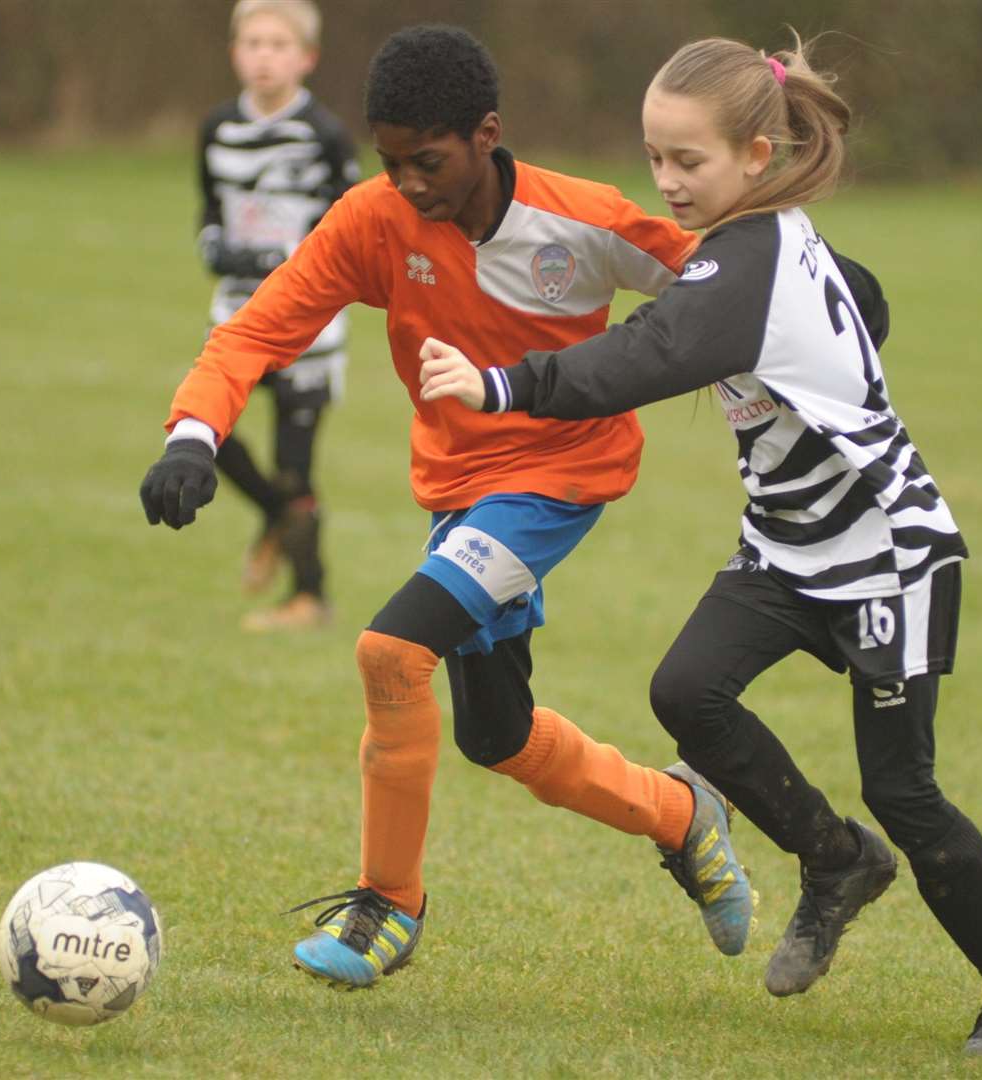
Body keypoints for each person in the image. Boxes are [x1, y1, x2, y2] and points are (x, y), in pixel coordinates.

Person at [419, 35, 982, 1056]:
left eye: (691, 161)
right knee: (687, 692)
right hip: (786, 546)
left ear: (757, 156)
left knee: (904, 788)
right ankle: (835, 860)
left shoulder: (749, 257)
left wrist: (500, 384)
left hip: (883, 551)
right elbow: (866, 301)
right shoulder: (768, 243)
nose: (669, 182)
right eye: (657, 158)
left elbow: (649, 355)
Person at [140, 25, 756, 990]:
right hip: (462, 492)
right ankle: (683, 818)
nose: (408, 184)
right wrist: (192, 434)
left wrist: (831, 315)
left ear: (486, 133)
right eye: (389, 162)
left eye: (426, 161)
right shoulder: (372, 220)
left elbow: (730, 279)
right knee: (496, 735)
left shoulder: (582, 220)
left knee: (389, 650)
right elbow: (257, 328)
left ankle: (387, 903)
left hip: (557, 481)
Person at [197, 0, 361, 631]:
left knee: (297, 467)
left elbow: (343, 228)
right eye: (253, 42)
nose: (264, 55)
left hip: (309, 328)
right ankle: (273, 514)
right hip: (237, 316)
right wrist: (215, 245)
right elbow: (208, 212)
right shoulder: (216, 128)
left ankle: (309, 596)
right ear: (235, 52)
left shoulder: (324, 134)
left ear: (306, 58)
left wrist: (289, 261)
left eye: (278, 44)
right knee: (203, 431)